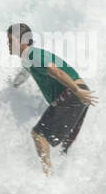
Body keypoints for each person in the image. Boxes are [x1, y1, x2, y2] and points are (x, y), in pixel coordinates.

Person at [7, 23, 97, 175]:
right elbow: (24, 74)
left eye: (10, 40)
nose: (7, 44)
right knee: (65, 146)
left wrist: (76, 91)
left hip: (73, 93)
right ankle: (65, 181)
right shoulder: (29, 58)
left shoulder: (33, 55)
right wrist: (11, 87)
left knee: (38, 134)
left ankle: (48, 177)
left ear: (21, 41)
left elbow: (56, 72)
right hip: (78, 94)